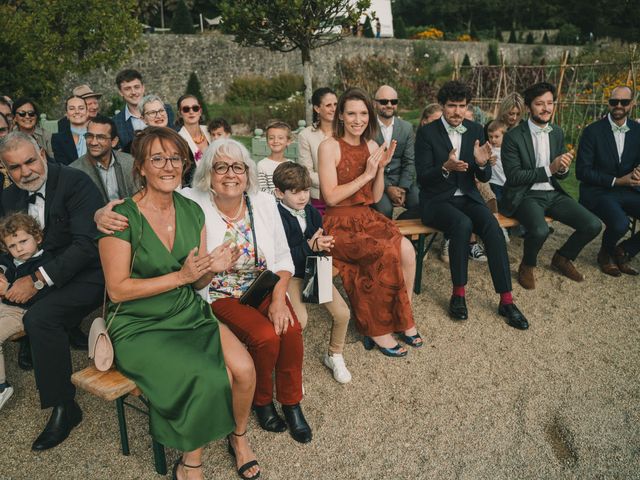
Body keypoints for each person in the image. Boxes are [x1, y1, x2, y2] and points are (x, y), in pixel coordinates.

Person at [98, 127, 260, 480]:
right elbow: (117, 291)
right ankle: (190, 465)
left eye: (175, 158)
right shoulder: (119, 217)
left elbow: (196, 279)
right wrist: (182, 278)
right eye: (157, 158)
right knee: (206, 375)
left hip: (187, 311)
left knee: (245, 370)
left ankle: (239, 437)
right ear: (140, 167)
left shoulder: (191, 211)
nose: (168, 166)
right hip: (138, 324)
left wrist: (211, 269)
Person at [181, 138, 312, 445]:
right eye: (221, 167)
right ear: (208, 173)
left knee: (290, 327)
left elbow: (283, 258)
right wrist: (107, 209)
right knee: (265, 336)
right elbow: (150, 198)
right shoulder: (192, 199)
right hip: (220, 293)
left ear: (247, 172)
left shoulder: (263, 202)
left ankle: (292, 403)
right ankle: (262, 400)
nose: (230, 174)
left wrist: (279, 299)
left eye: (238, 166)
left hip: (263, 285)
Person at [0, 132, 104, 450]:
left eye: (30, 161)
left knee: (41, 319)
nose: (25, 172)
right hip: (33, 273)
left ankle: (65, 407)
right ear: (5, 170)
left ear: (42, 154)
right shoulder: (9, 197)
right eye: (14, 167)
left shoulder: (76, 183)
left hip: (89, 274)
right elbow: (4, 247)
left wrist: (36, 281)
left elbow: (87, 245)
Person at [415, 80, 528, 330]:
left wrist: (482, 164)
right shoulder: (427, 133)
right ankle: (458, 294)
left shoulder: (476, 129)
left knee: (492, 226)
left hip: (467, 196)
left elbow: (483, 178)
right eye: (452, 106)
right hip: (436, 200)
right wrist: (445, 167)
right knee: (462, 224)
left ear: (468, 107)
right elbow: (422, 177)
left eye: (462, 106)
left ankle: (506, 301)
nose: (457, 112)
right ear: (443, 106)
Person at [318, 87, 421, 356]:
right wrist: (366, 174)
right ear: (340, 115)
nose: (358, 119)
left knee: (408, 251)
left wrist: (381, 170)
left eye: (363, 113)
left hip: (366, 216)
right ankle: (375, 328)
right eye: (351, 113)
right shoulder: (328, 147)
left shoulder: (372, 145)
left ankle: (402, 317)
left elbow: (375, 197)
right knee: (381, 252)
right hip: (339, 223)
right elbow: (330, 196)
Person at [501, 82, 602, 289]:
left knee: (593, 225)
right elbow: (513, 177)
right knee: (540, 231)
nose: (546, 108)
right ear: (529, 107)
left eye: (550, 103)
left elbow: (561, 173)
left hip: (552, 193)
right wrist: (549, 169)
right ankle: (527, 265)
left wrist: (562, 169)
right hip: (525, 195)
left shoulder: (557, 132)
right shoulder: (513, 137)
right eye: (540, 104)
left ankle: (562, 258)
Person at [272, 162, 352, 384]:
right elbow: (281, 256)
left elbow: (318, 239)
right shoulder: (275, 217)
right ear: (279, 192)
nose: (302, 197)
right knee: (300, 320)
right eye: (294, 192)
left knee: (343, 313)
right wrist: (311, 246)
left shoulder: (312, 211)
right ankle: (290, 367)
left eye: (305, 190)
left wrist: (324, 244)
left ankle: (334, 354)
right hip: (290, 274)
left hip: (314, 266)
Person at [576, 85, 640, 277]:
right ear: (608, 103)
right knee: (620, 224)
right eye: (614, 102)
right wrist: (617, 180)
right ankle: (605, 254)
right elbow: (582, 171)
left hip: (628, 190)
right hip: (598, 191)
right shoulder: (592, 132)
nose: (618, 105)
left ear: (632, 104)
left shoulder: (638, 130)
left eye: (624, 102)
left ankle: (625, 250)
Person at [0, 213, 50, 412]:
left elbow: (39, 295)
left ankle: (2, 387)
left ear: (37, 238)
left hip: (22, 313)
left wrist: (7, 288)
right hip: (5, 306)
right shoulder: (13, 259)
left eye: (23, 241)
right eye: (13, 246)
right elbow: (5, 261)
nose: (19, 249)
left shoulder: (44, 262)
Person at [372, 85, 419, 219]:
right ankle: (387, 237)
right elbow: (366, 162)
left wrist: (403, 188)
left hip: (402, 181)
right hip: (376, 182)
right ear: (375, 103)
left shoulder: (406, 128)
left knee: (420, 203)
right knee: (384, 210)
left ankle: (406, 238)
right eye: (384, 101)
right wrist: (388, 187)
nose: (389, 105)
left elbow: (409, 161)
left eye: (393, 101)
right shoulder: (367, 127)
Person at [69, 115, 137, 203]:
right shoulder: (74, 172)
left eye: (101, 137)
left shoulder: (130, 162)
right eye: (89, 136)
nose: (93, 142)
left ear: (114, 142)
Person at [297, 87, 338, 214]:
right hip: (319, 197)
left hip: (347, 195)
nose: (334, 109)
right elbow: (306, 172)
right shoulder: (306, 135)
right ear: (317, 108)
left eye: (336, 104)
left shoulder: (346, 132)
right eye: (328, 105)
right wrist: (332, 184)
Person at [112, 69, 175, 151]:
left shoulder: (166, 110)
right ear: (120, 92)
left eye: (136, 87)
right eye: (127, 89)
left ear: (143, 88)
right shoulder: (116, 122)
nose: (133, 92)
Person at [52, 95, 90, 165]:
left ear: (87, 112)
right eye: (72, 109)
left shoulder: (98, 134)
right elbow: (62, 167)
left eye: (81, 108)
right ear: (66, 114)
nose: (77, 112)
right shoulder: (58, 139)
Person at [257, 121, 292, 194]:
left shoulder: (292, 165)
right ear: (267, 141)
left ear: (288, 141)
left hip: (289, 204)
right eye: (271, 138)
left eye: (280, 138)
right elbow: (262, 190)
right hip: (269, 204)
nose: (276, 141)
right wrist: (282, 195)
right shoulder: (262, 165)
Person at [176, 94, 210, 163]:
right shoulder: (178, 139)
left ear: (200, 111)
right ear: (180, 113)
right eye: (186, 109)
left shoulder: (210, 131)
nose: (191, 112)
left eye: (195, 108)